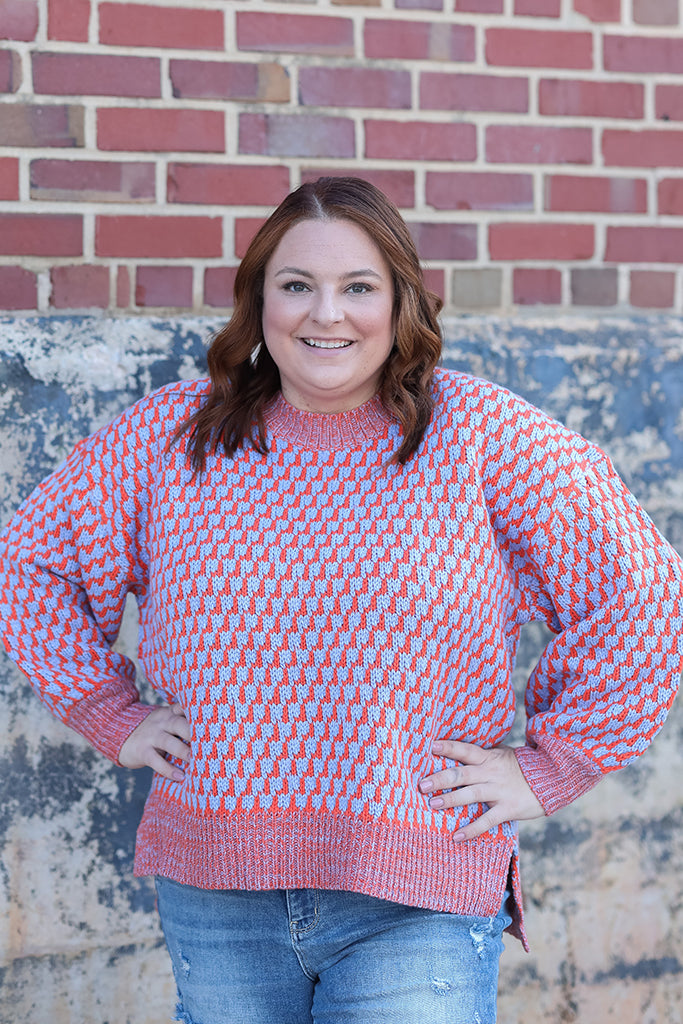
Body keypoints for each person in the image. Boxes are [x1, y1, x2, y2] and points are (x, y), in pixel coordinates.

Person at [1, 176, 682, 1024]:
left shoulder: (482, 437)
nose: (326, 314)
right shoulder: (169, 438)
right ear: (260, 301)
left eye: (358, 287)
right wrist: (110, 712)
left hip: (418, 894)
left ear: (400, 301)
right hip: (219, 883)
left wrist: (549, 767)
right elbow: (31, 563)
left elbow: (642, 591)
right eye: (297, 286)